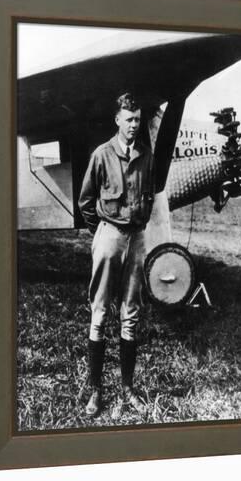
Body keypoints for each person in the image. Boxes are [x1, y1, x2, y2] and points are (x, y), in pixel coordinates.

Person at [78, 92, 155, 417]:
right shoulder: (101, 154)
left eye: (138, 119)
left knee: (131, 315)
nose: (134, 125)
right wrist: (104, 233)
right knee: (99, 313)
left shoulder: (145, 154)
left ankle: (127, 390)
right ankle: (95, 391)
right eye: (129, 119)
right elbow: (86, 201)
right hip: (109, 234)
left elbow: (148, 194)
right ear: (117, 120)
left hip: (136, 238)